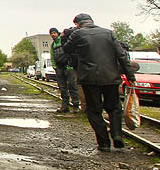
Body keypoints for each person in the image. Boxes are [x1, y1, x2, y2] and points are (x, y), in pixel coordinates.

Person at [62, 13, 135, 152]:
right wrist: (130, 75)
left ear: (77, 24)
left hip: (90, 78)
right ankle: (117, 135)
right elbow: (121, 55)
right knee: (114, 107)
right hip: (111, 76)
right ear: (91, 21)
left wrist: (65, 36)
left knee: (94, 110)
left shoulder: (77, 34)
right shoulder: (108, 33)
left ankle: (103, 142)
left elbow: (66, 49)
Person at [49, 27, 79, 113]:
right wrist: (55, 66)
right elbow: (52, 56)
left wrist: (70, 65)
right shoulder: (53, 45)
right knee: (62, 88)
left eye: (54, 33)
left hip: (68, 67)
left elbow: (70, 52)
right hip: (59, 68)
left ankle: (76, 106)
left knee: (72, 86)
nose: (53, 35)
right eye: (51, 33)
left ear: (57, 33)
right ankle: (65, 106)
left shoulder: (64, 41)